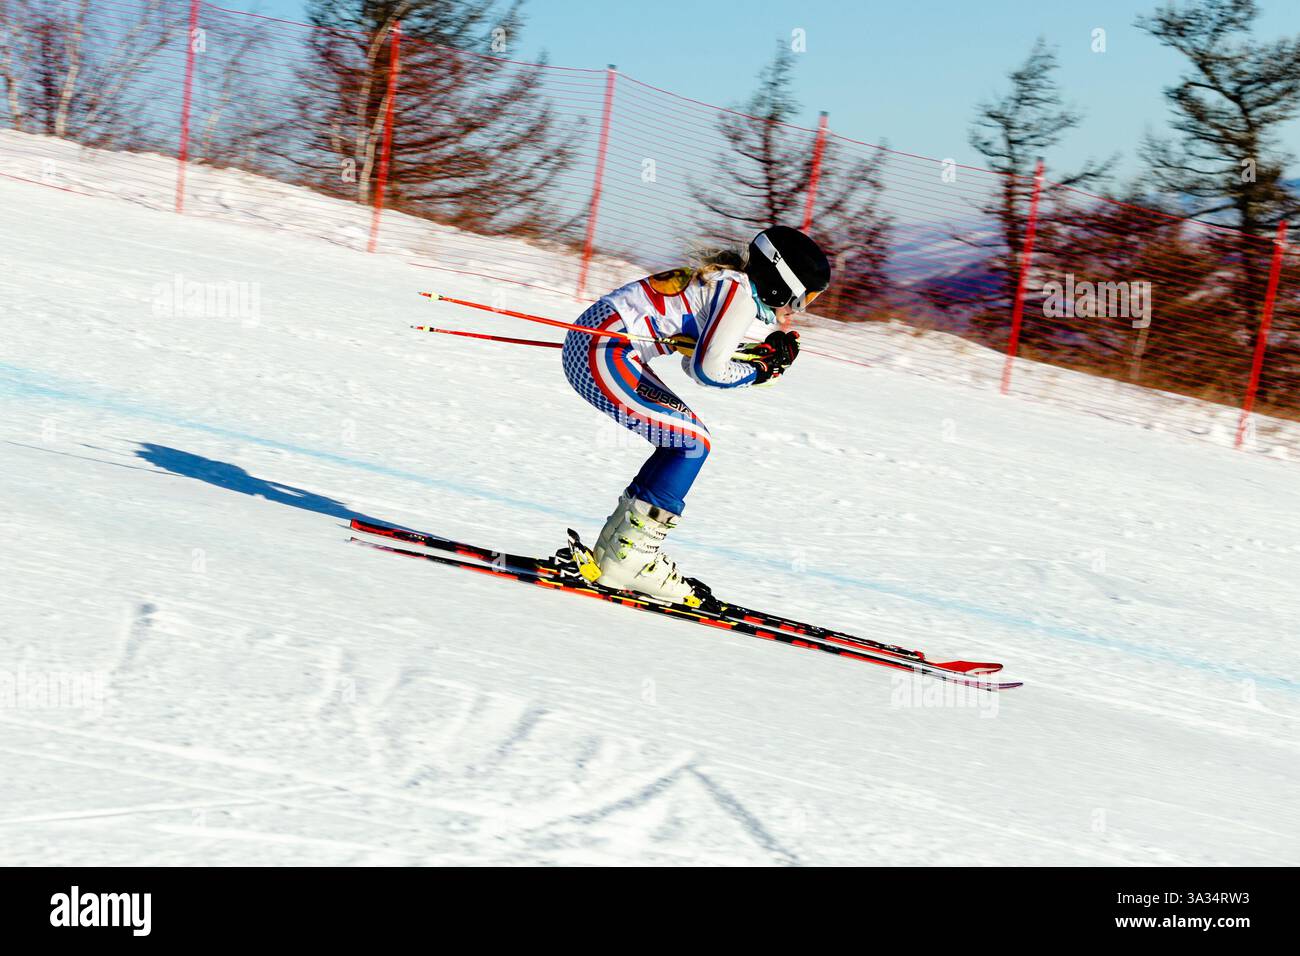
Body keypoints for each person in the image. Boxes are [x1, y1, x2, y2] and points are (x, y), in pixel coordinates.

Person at [561, 225, 831, 606]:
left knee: (685, 443)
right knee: (690, 444)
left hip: (599, 343)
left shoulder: (729, 284)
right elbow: (707, 370)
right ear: (780, 282)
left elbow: (698, 354)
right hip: (605, 350)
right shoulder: (736, 292)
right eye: (801, 299)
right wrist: (761, 371)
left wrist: (758, 354)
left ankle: (618, 555)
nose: (796, 310)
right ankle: (629, 560)